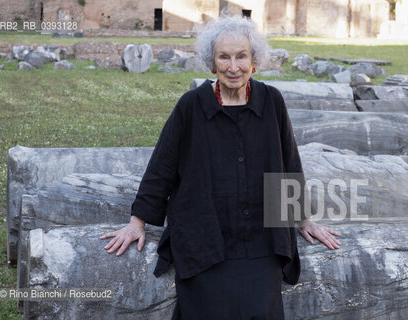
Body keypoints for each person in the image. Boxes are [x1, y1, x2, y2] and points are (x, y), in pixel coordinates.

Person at [100, 15, 341, 320]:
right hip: (204, 236)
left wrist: (304, 220)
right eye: (223, 57)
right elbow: (162, 165)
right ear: (212, 63)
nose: (233, 66)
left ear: (254, 61)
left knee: (260, 309)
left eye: (242, 56)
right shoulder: (190, 105)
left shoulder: (272, 101)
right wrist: (137, 222)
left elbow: (289, 161)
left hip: (261, 237)